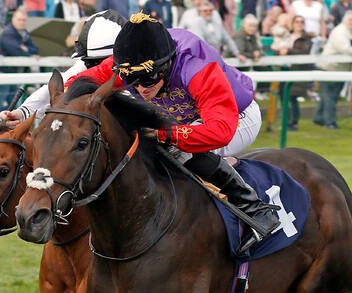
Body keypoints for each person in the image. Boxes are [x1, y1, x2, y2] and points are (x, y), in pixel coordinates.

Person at [67, 13, 279, 253]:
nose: (140, 90)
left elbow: (219, 131)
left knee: (177, 150)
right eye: (131, 82)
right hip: (187, 117)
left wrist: (166, 135)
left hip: (238, 117)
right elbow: (75, 83)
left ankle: (254, 208)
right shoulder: (130, 62)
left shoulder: (197, 68)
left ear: (166, 65)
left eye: (147, 81)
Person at [0, 9, 126, 126]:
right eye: (93, 62)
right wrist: (22, 113)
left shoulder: (136, 67)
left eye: (101, 61)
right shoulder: (85, 64)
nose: (96, 67)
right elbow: (55, 91)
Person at [313, 10, 352, 130]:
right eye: (350, 20)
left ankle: (318, 118)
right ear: (345, 21)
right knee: (330, 96)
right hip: (328, 67)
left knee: (331, 95)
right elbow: (345, 48)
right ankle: (330, 122)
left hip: (341, 69)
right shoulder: (339, 31)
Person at [0, 8, 39, 123]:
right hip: (1, 74)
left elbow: (35, 49)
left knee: (11, 106)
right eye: (19, 20)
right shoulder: (8, 32)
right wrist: (27, 51)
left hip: (12, 74)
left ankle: (4, 130)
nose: (21, 22)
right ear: (13, 20)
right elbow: (15, 51)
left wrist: (25, 49)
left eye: (23, 20)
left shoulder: (23, 33)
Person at [274, 14, 312, 130]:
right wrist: (279, 51)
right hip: (285, 68)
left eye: (301, 22)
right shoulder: (288, 36)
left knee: (293, 97)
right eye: (297, 21)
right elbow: (277, 48)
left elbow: (304, 51)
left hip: (297, 69)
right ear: (293, 23)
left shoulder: (306, 39)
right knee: (283, 96)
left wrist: (287, 51)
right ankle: (286, 120)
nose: (299, 24)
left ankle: (294, 122)